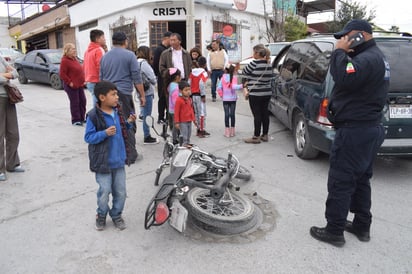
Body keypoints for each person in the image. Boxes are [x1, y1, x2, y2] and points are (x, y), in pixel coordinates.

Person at [310, 19, 389, 247]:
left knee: (341, 180)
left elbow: (343, 77)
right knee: (361, 178)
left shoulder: (367, 59)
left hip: (356, 131)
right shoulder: (375, 57)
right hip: (367, 129)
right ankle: (362, 225)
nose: (343, 40)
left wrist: (338, 52)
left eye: (347, 35)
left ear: (361, 34)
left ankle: (334, 230)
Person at [84, 81, 137, 231]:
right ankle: (101, 215)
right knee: (104, 192)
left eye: (116, 94)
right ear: (102, 97)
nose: (117, 97)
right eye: (113, 94)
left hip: (119, 161)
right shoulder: (93, 116)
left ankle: (116, 215)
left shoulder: (118, 112)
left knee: (121, 192)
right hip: (103, 163)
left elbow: (122, 130)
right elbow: (88, 137)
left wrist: (128, 123)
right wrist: (104, 133)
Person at [100, 31, 146, 164]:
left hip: (107, 95)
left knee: (112, 123)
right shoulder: (130, 55)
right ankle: (131, 155)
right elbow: (137, 78)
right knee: (128, 122)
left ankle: (115, 152)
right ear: (125, 41)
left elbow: (101, 79)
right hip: (123, 94)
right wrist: (142, 95)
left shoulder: (105, 57)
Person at [242, 44, 273, 144]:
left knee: (257, 115)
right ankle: (265, 135)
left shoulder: (254, 63)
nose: (253, 54)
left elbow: (244, 71)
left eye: (254, 52)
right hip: (267, 93)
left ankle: (256, 137)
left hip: (255, 93)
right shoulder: (269, 65)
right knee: (265, 113)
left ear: (257, 53)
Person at [0, 55, 24, 181]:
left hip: (8, 97)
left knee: (13, 133)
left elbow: (15, 73)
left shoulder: (0, 58)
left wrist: (6, 75)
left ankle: (12, 164)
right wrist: (6, 76)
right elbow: (4, 79)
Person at [59, 43, 87, 126]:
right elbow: (62, 74)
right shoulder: (65, 60)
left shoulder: (74, 59)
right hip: (71, 86)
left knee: (83, 101)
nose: (75, 50)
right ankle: (76, 119)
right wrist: (69, 82)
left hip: (79, 85)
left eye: (75, 49)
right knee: (75, 102)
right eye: (72, 49)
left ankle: (82, 118)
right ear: (67, 51)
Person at [136, 46, 159, 145]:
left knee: (144, 113)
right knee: (147, 115)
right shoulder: (144, 64)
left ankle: (146, 134)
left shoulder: (136, 62)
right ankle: (147, 136)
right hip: (147, 92)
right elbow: (153, 78)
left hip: (139, 90)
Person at [217, 63, 242, 137]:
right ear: (233, 70)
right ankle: (232, 131)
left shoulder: (223, 78)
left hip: (225, 99)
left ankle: (227, 132)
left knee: (227, 115)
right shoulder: (234, 78)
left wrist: (222, 96)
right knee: (232, 114)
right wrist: (242, 85)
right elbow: (234, 87)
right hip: (233, 99)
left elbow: (219, 88)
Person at [152, 31, 172, 124]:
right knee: (162, 97)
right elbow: (155, 64)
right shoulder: (159, 49)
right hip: (162, 77)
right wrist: (159, 75)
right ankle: (161, 117)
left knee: (168, 97)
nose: (172, 41)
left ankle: (168, 116)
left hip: (169, 77)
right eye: (171, 39)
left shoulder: (168, 49)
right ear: (166, 38)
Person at [83, 29, 106, 106]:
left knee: (96, 100)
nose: (105, 39)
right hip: (97, 80)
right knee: (99, 103)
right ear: (97, 39)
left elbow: (84, 66)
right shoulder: (99, 50)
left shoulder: (87, 51)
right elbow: (101, 66)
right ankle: (97, 117)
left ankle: (96, 116)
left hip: (89, 81)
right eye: (103, 37)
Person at [189, 56, 210, 138]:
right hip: (199, 95)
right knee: (202, 113)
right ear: (205, 64)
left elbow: (189, 82)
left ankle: (198, 128)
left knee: (196, 113)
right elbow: (201, 83)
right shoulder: (204, 73)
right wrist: (203, 95)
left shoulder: (192, 72)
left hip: (193, 95)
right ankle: (201, 130)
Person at [174, 81, 195, 146]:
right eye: (186, 90)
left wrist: (194, 119)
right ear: (180, 91)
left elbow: (191, 110)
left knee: (188, 135)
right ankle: (184, 147)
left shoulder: (189, 99)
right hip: (183, 122)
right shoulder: (179, 100)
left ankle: (187, 146)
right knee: (184, 137)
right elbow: (176, 112)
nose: (188, 91)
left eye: (189, 89)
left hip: (189, 121)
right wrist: (177, 122)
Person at [166, 68, 181, 144]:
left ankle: (176, 137)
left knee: (175, 125)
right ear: (177, 77)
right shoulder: (175, 87)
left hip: (171, 109)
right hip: (175, 110)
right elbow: (176, 101)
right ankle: (175, 139)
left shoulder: (170, 85)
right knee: (176, 125)